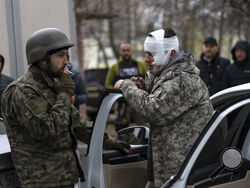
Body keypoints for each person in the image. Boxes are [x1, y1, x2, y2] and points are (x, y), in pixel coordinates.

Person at [1, 28, 130, 188]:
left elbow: (77, 125)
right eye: (61, 55)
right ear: (43, 59)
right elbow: (47, 129)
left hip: (64, 179)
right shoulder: (23, 91)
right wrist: (64, 94)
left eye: (66, 55)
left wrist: (109, 142)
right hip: (41, 182)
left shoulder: (52, 87)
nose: (66, 61)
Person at [114, 28, 214, 188]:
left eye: (151, 54)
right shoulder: (173, 76)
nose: (146, 59)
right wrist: (146, 86)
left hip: (184, 174)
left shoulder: (184, 80)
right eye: (146, 53)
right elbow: (165, 93)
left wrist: (126, 86)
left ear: (172, 53)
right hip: (171, 171)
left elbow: (153, 110)